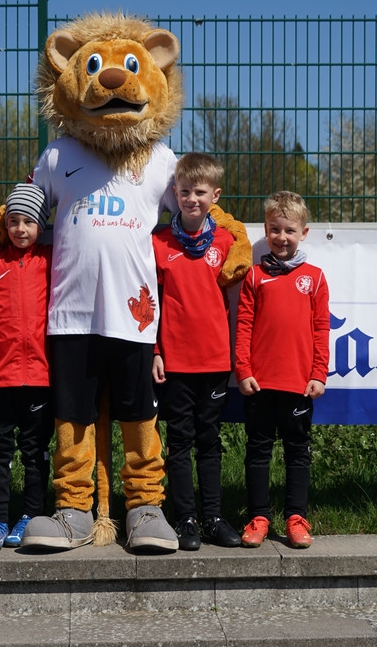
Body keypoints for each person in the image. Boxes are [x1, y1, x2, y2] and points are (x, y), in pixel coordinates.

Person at [151, 152, 244, 551]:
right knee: (180, 441)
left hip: (214, 360)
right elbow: (150, 303)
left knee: (210, 441)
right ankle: (185, 518)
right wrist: (156, 351)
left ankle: (213, 517)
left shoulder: (227, 242)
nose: (192, 199)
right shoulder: (158, 242)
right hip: (174, 361)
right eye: (185, 191)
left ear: (215, 196)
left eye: (200, 192)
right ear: (175, 193)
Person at [234, 190, 329, 549]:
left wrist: (318, 373)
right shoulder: (255, 277)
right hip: (259, 383)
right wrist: (243, 370)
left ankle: (296, 518)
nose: (282, 237)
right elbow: (243, 325)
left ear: (303, 232)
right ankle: (258, 517)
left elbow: (321, 328)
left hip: (299, 384)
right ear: (266, 230)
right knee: (258, 452)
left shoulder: (315, 278)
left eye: (290, 230)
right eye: (275, 229)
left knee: (297, 452)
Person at [0, 183, 55, 551]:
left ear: (42, 224)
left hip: (40, 375)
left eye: (29, 221)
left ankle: (31, 515)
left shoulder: (51, 260)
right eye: (13, 221)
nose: (20, 229)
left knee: (35, 452)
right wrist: (1, 212)